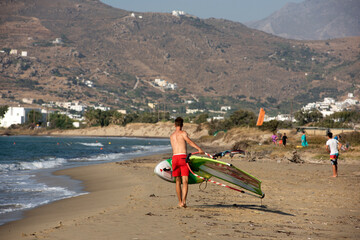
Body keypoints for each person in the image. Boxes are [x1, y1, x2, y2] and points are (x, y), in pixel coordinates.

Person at [170, 117, 204, 208]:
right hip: (182, 158)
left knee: (177, 181)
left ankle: (179, 202)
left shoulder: (172, 136)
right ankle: (184, 202)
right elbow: (188, 141)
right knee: (185, 181)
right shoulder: (183, 133)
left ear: (175, 125)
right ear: (182, 125)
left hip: (174, 158)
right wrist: (199, 149)